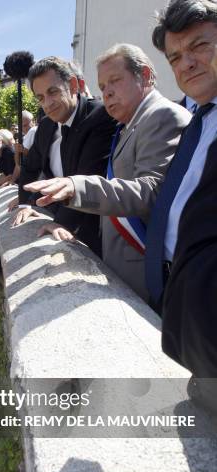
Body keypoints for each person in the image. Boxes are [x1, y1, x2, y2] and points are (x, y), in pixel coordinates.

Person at [22, 45, 190, 300]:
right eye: (102, 86)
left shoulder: (162, 116)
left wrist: (76, 188)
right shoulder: (128, 124)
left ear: (144, 75)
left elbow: (151, 191)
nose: (107, 92)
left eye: (115, 81)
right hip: (124, 264)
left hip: (151, 268)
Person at [146, 0, 217, 386]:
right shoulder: (197, 120)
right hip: (183, 313)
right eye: (175, 57)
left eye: (199, 46)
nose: (186, 63)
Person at [12, 56, 116, 256]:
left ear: (74, 85)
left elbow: (86, 178)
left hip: (96, 229)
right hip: (58, 214)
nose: (47, 104)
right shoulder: (46, 125)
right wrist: (25, 203)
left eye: (53, 92)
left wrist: (61, 224)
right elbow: (31, 167)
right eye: (40, 97)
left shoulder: (100, 116)